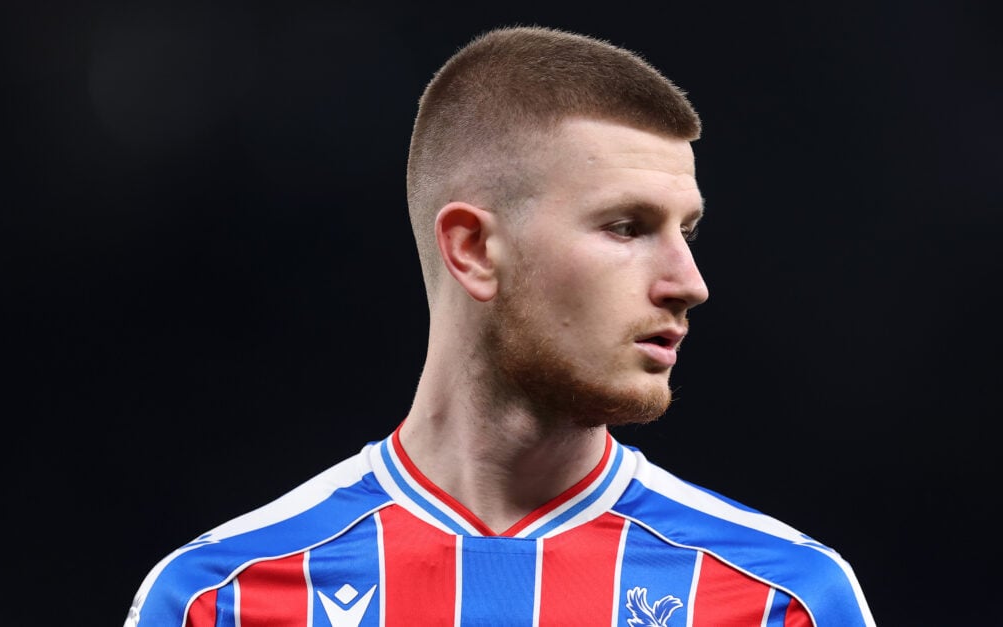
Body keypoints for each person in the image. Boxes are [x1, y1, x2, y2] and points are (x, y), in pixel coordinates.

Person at [124, 25, 876, 626]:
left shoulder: (785, 601)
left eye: (689, 231)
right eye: (627, 226)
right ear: (475, 249)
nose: (690, 283)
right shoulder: (217, 601)